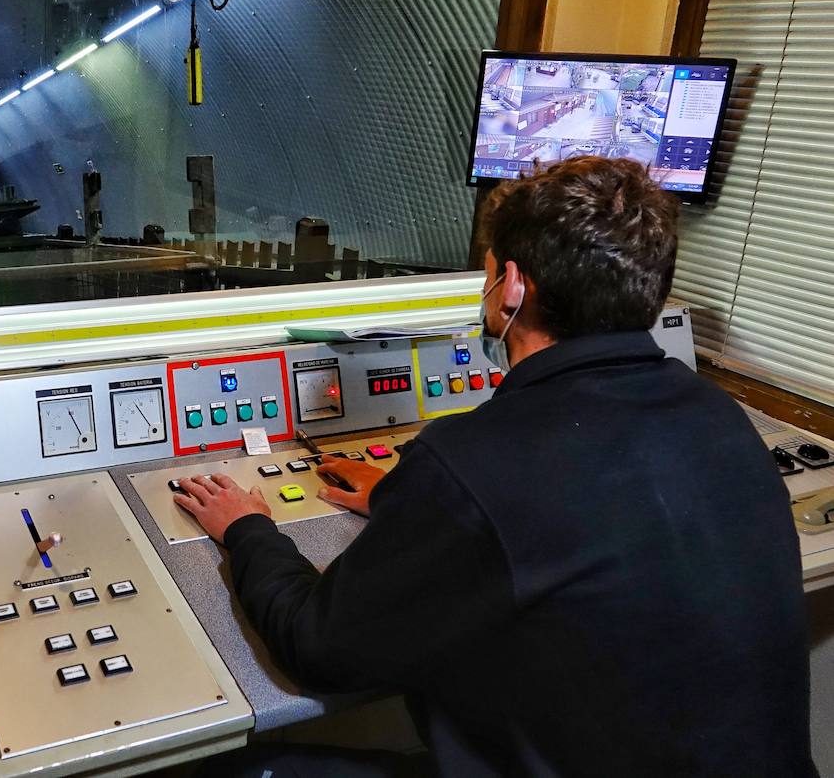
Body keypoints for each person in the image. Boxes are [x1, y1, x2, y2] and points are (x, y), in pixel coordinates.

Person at [174, 157, 814, 777]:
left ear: (511, 286)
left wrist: (248, 527)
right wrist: (408, 500)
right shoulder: (717, 415)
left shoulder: (471, 463)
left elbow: (317, 649)